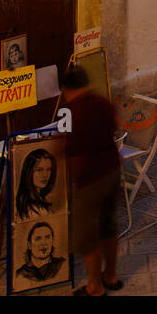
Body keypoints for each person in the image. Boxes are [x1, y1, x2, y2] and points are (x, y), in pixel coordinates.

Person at [61, 66, 122, 296]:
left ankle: (94, 287)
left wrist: (69, 185)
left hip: (90, 178)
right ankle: (111, 276)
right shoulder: (103, 103)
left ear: (67, 89)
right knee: (108, 225)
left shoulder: (72, 111)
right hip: (112, 171)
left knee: (87, 236)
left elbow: (73, 150)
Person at [15, 147, 57, 220]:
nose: (45, 175)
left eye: (48, 169)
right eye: (39, 170)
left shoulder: (39, 199)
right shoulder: (33, 211)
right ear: (29, 172)